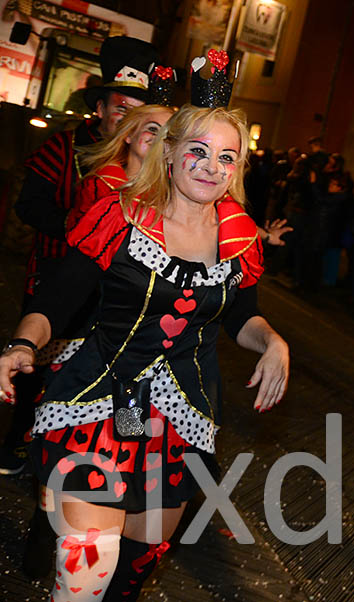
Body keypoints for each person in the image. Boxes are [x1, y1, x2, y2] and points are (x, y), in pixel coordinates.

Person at [0, 63, 290, 601]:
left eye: (227, 157)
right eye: (199, 151)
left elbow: (241, 315)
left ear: (238, 168)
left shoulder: (239, 238)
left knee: (132, 573)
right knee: (85, 573)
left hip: (177, 427)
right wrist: (23, 343)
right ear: (173, 151)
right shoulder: (121, 216)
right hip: (97, 405)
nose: (210, 166)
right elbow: (57, 302)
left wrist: (272, 341)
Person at [0, 37, 159, 477]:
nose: (131, 125)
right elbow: (29, 205)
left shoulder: (159, 168)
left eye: (143, 118)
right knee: (42, 369)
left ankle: (123, 462)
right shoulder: (67, 150)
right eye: (122, 110)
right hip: (63, 277)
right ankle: (23, 446)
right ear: (103, 108)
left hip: (124, 304)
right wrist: (79, 226)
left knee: (127, 380)